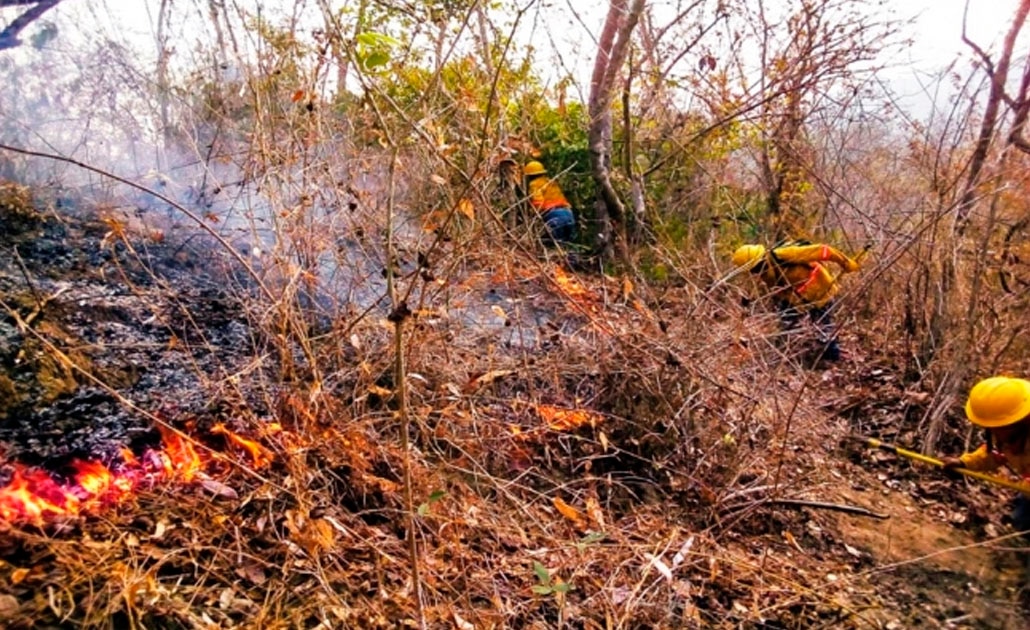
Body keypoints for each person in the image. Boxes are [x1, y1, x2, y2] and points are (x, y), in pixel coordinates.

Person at [730, 241, 861, 362]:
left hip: (821, 290)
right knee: (786, 323)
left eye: (756, 268)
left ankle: (831, 357)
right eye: (752, 270)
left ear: (762, 258)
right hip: (794, 298)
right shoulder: (763, 272)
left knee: (822, 325)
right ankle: (780, 355)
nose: (755, 272)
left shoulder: (783, 255)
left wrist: (846, 263)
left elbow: (824, 250)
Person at [942, 376, 1030, 536]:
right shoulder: (1006, 433)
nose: (993, 431)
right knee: (1021, 522)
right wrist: (964, 463)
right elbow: (993, 455)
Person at [523, 160, 578, 249]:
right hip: (568, 213)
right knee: (569, 244)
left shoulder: (534, 184)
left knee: (557, 245)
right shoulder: (551, 182)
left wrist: (533, 214)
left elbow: (538, 201)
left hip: (554, 215)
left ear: (530, 175)